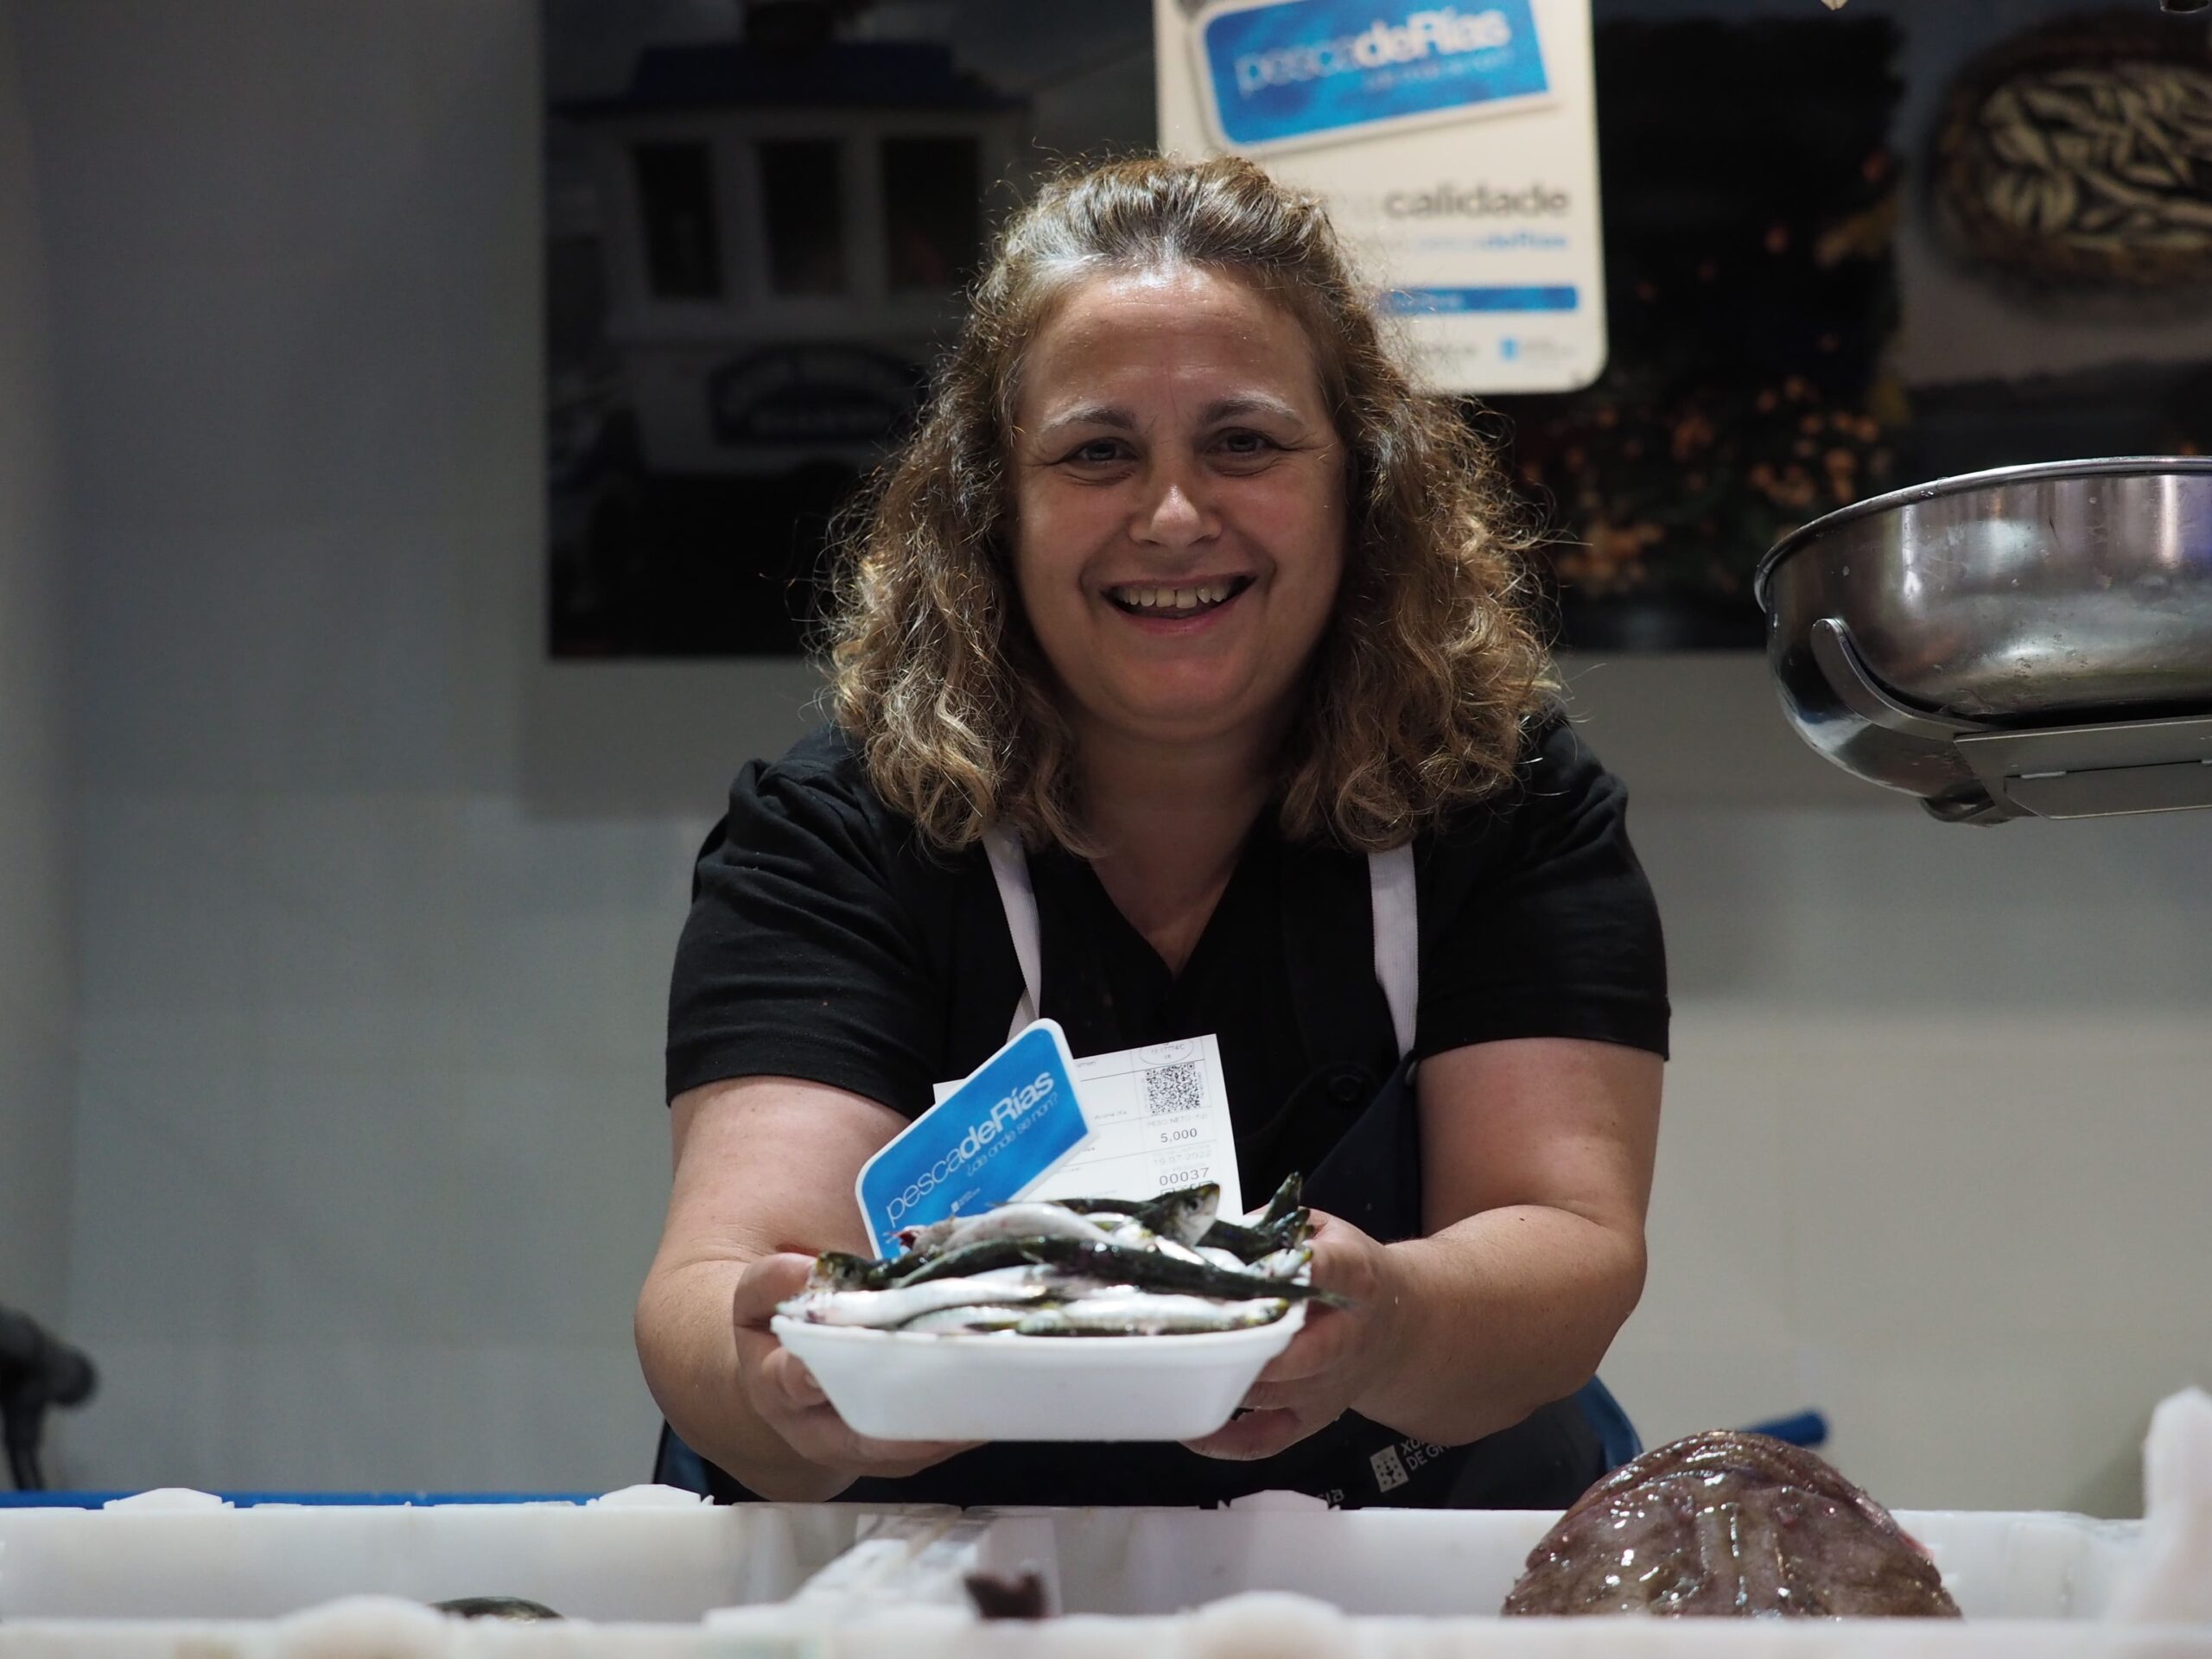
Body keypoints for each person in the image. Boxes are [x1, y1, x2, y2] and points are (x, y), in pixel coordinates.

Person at [636, 156, 1667, 1510]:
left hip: (1388, 1569)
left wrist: (1388, 1316)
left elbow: (1569, 1242)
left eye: (1243, 442)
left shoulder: (1501, 801)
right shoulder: (839, 831)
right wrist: (785, 1386)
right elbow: (717, 1287)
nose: (1173, 517)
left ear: (1361, 484)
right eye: (1097, 452)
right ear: (992, 507)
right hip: (922, 1575)